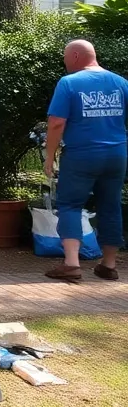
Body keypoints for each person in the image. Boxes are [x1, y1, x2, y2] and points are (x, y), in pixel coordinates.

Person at [42, 40, 128, 283]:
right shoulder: (121, 83)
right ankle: (109, 265)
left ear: (76, 56)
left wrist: (50, 155)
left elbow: (56, 123)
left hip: (82, 155)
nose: (64, 62)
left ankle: (71, 263)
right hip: (116, 154)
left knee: (70, 204)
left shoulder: (69, 82)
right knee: (110, 206)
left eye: (65, 57)